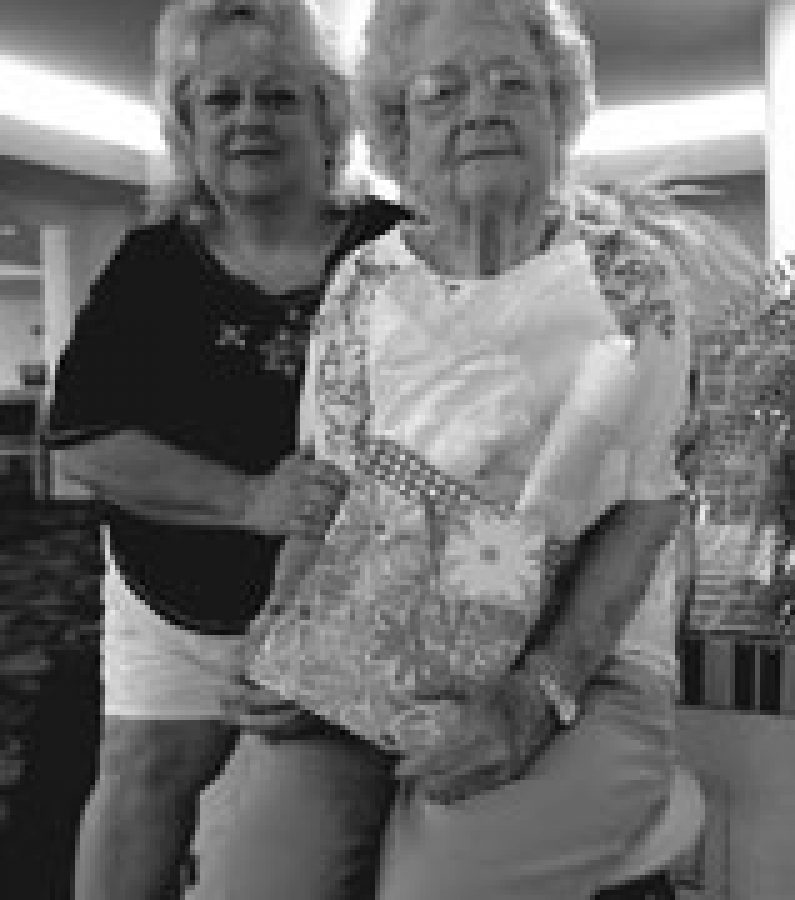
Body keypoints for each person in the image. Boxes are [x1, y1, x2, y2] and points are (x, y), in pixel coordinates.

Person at [191, 1, 711, 897]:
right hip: (376, 642)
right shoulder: (364, 285)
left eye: (516, 83)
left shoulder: (630, 277)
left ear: (558, 114)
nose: (483, 107)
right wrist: (280, 634)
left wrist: (536, 696)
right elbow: (330, 495)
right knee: (252, 869)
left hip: (584, 664)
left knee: (440, 885)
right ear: (398, 134)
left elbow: (646, 507)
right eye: (443, 91)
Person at [43, 2, 405, 898]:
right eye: (223, 99)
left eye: (279, 97)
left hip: (343, 602)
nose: (250, 119)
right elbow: (86, 438)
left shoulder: (397, 249)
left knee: (321, 827)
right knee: (142, 778)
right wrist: (248, 498)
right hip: (167, 599)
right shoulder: (150, 264)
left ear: (329, 118)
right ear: (188, 126)